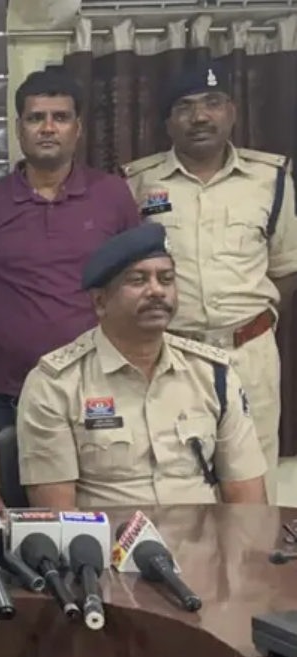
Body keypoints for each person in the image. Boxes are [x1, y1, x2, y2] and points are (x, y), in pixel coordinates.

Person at [123, 64, 297, 502]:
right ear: (167, 123)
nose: (200, 116)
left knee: (253, 483)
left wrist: (245, 325)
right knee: (178, 481)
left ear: (231, 112)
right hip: (172, 353)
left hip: (250, 353)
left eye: (212, 103)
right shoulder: (138, 183)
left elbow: (285, 269)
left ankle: (252, 552)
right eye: (185, 107)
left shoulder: (271, 179)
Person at [16, 223, 268, 509]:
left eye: (166, 279)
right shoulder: (55, 384)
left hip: (203, 536)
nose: (157, 291)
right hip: (111, 538)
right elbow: (59, 516)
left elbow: (248, 502)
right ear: (100, 301)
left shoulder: (213, 375)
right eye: (138, 281)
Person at [0, 70, 141, 437]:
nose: (47, 128)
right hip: (9, 395)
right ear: (18, 128)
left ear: (78, 128)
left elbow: (133, 284)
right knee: (10, 476)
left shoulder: (113, 195)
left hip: (100, 386)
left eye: (60, 117)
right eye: (35, 118)